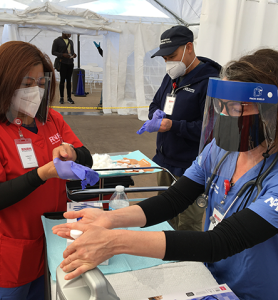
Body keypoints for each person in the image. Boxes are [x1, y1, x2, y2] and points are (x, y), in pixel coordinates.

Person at [53, 48, 278, 300]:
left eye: (236, 108)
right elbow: (173, 200)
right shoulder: (220, 150)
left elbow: (220, 242)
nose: (225, 115)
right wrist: (110, 219)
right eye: (221, 107)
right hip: (213, 282)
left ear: (272, 114)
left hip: (256, 291)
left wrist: (114, 241)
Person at [0, 41, 93, 299]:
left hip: (49, 247)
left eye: (41, 84)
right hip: (7, 254)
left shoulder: (51, 120)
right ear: (4, 81)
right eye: (27, 84)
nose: (35, 91)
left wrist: (73, 153)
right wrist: (42, 174)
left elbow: (86, 159)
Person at [147, 25, 221, 231]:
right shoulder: (172, 77)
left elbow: (210, 131)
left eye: (172, 56)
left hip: (190, 167)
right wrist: (155, 115)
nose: (168, 63)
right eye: (164, 59)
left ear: (189, 47)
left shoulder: (209, 82)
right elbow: (155, 103)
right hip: (164, 162)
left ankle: (189, 263)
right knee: (163, 220)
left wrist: (172, 125)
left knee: (188, 225)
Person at [52, 30, 77, 104]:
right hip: (62, 63)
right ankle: (61, 98)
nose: (70, 34)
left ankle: (69, 97)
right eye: (68, 33)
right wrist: (62, 55)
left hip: (70, 63)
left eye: (70, 33)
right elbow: (53, 52)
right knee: (62, 81)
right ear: (63, 32)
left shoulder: (71, 41)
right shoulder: (57, 41)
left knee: (69, 81)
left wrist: (74, 55)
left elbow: (71, 51)